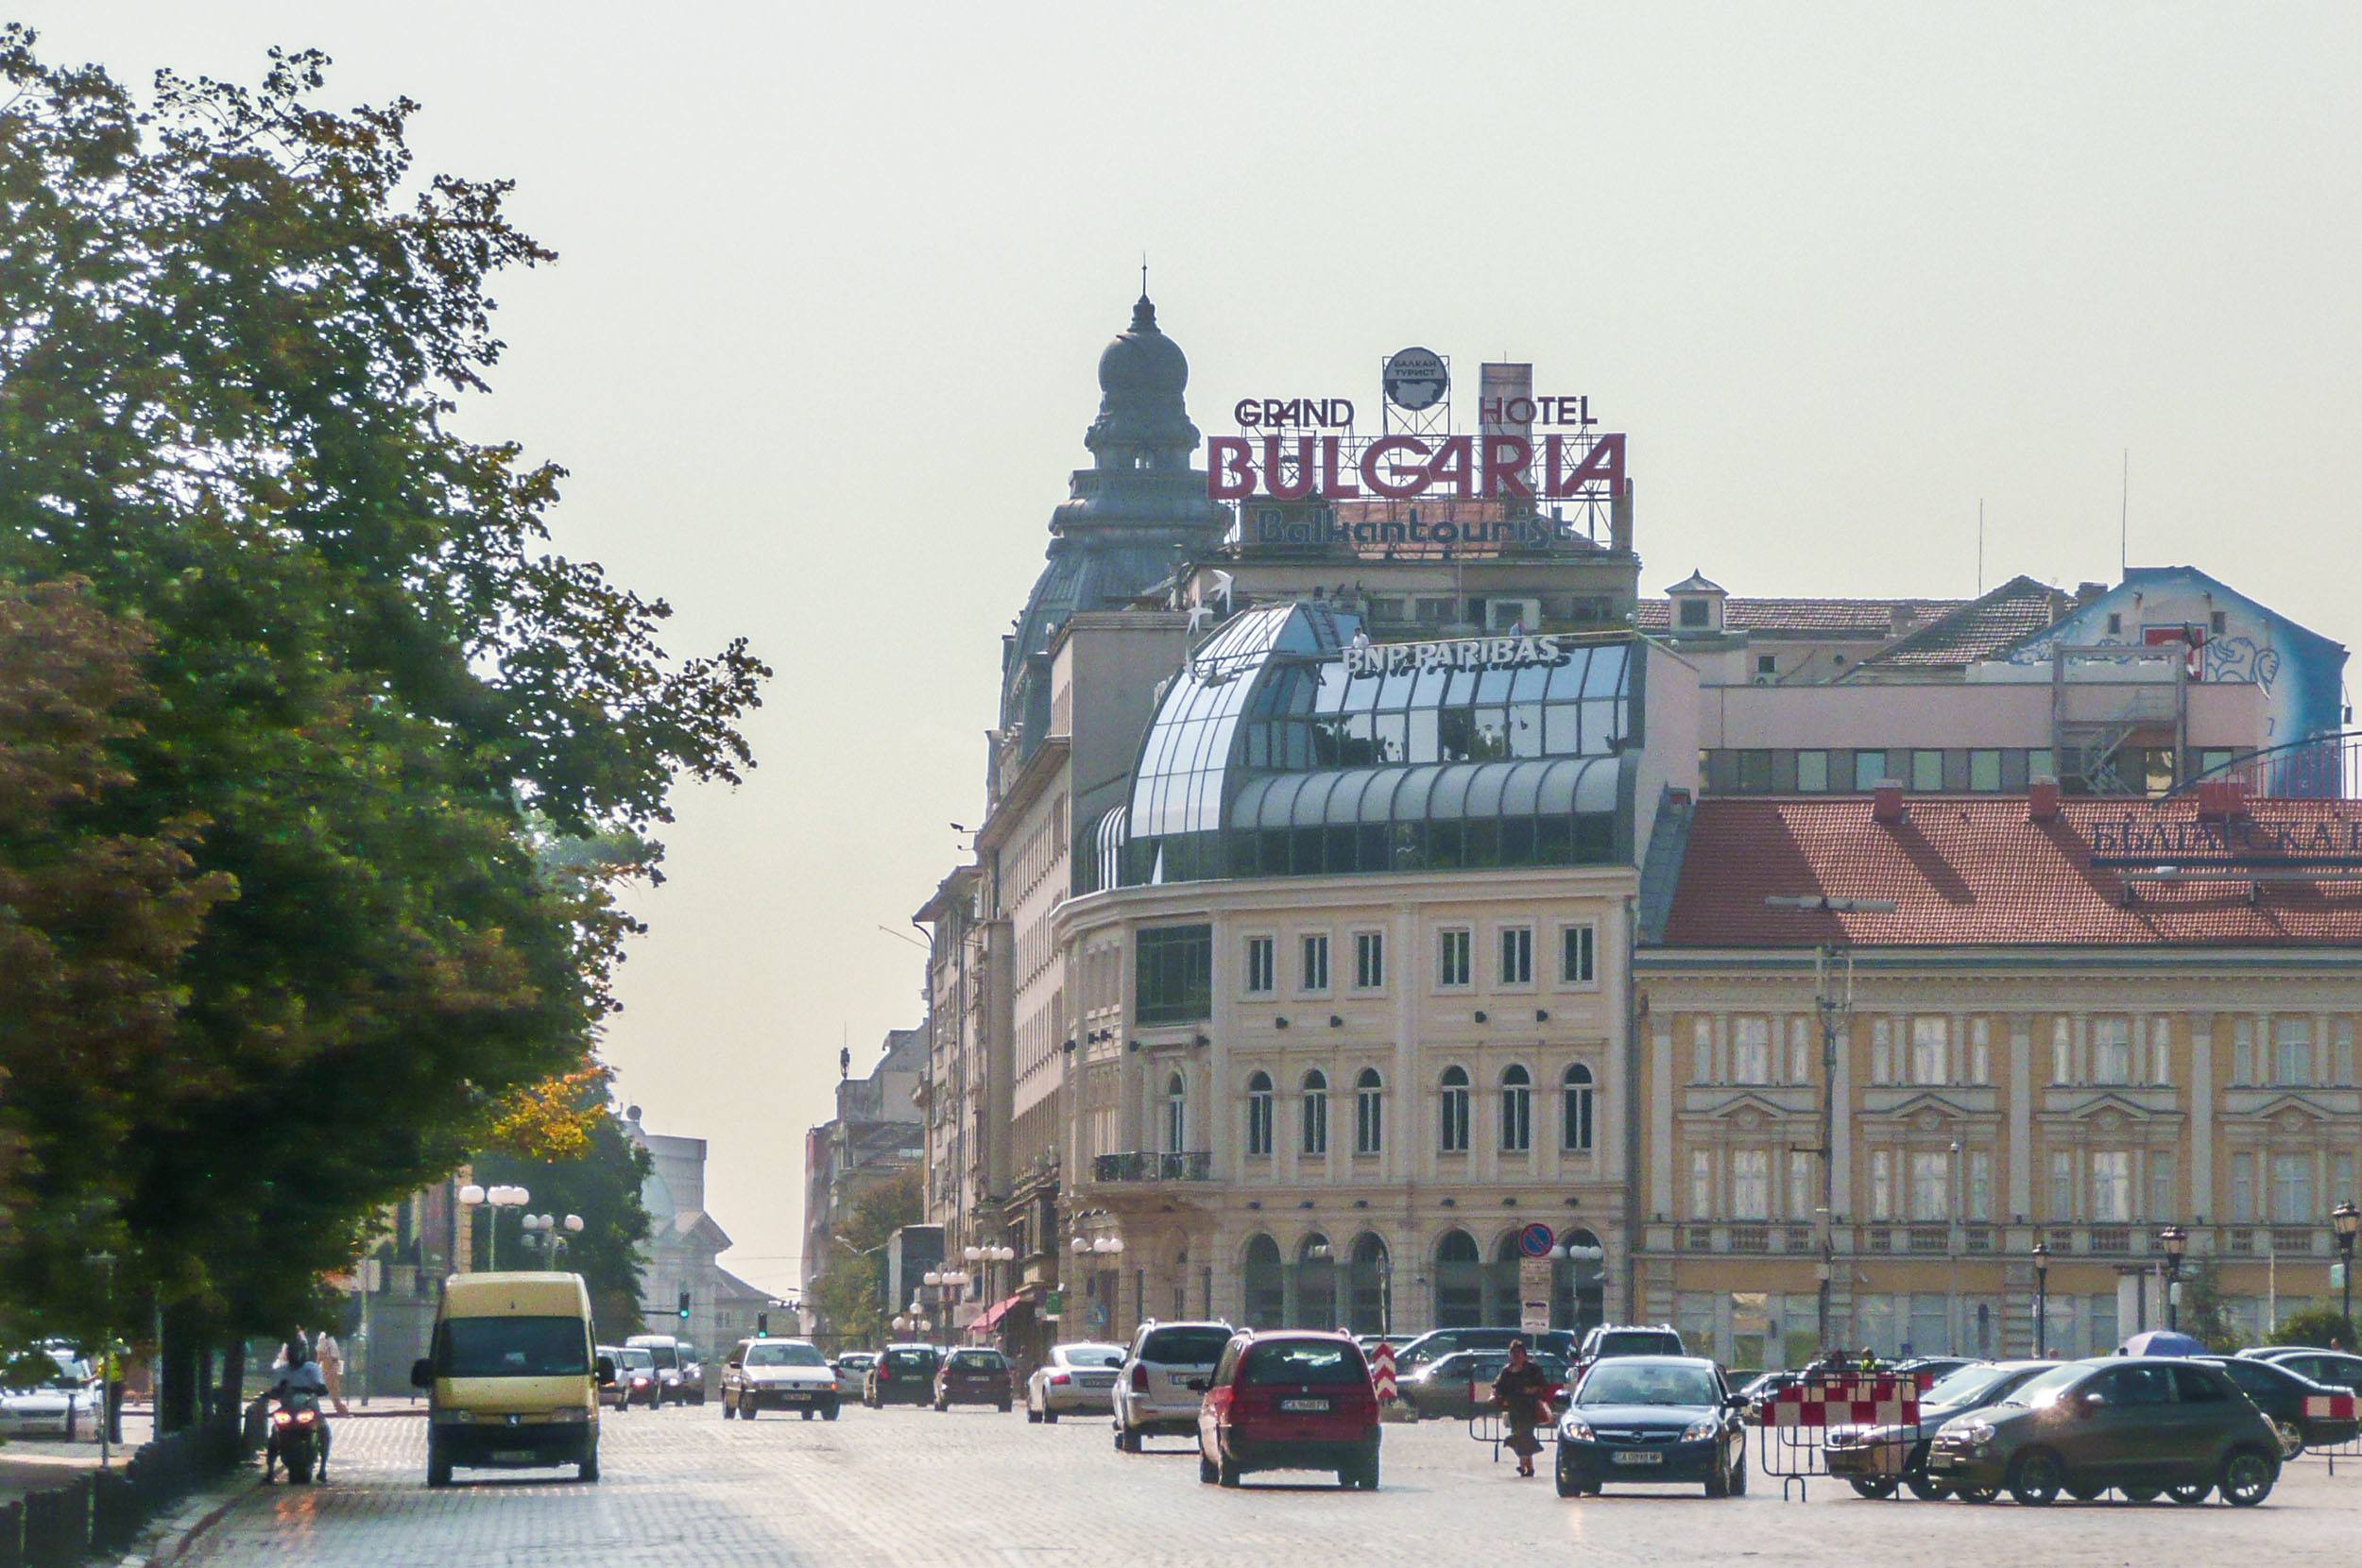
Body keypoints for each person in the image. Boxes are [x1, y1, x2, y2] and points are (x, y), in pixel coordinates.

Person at [263, 1338, 333, 1484]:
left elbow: (321, 1386)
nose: (295, 1355)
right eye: (293, 1351)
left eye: (298, 1351)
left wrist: (318, 1389)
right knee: (275, 1434)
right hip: (288, 1408)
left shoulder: (312, 1368)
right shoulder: (282, 1370)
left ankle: (323, 1469)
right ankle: (269, 1470)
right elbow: (275, 1389)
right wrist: (272, 1392)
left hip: (309, 1408)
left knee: (324, 1430)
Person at [1490, 1338, 1553, 1479]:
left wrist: (1531, 1390)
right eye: (1513, 1353)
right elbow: (1497, 1386)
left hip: (1529, 1408)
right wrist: (1494, 1395)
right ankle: (1527, 1466)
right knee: (1520, 1436)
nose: (1516, 1356)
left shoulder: (1532, 1369)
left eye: (1519, 1353)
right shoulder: (1506, 1371)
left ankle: (1525, 1465)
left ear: (1524, 1354)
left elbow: (1543, 1385)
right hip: (1514, 1409)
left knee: (1524, 1435)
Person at [315, 1326, 349, 1415]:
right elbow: (320, 1353)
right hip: (329, 1363)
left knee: (333, 1388)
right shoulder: (324, 1336)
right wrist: (316, 1366)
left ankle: (340, 1409)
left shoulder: (330, 1337)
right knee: (332, 1388)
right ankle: (341, 1409)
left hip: (334, 1363)